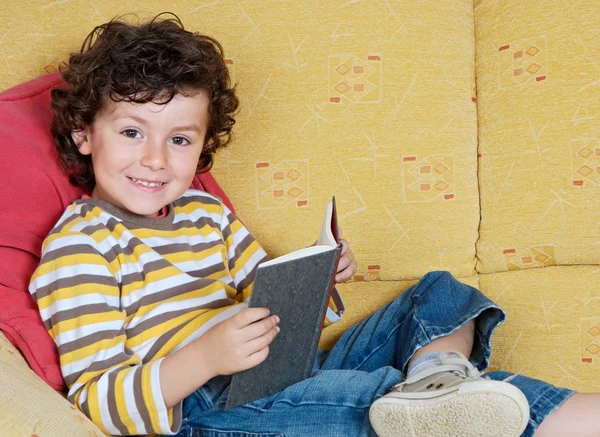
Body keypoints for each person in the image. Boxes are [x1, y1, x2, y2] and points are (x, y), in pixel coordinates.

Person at [27, 12, 600, 437]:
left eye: (179, 139)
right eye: (132, 132)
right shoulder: (80, 245)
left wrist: (318, 279)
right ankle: (470, 409)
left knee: (441, 293)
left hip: (288, 371)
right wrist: (204, 358)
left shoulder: (206, 214)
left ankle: (439, 381)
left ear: (201, 147)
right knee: (379, 400)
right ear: (84, 133)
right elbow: (98, 401)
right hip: (213, 409)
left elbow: (277, 309)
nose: (155, 158)